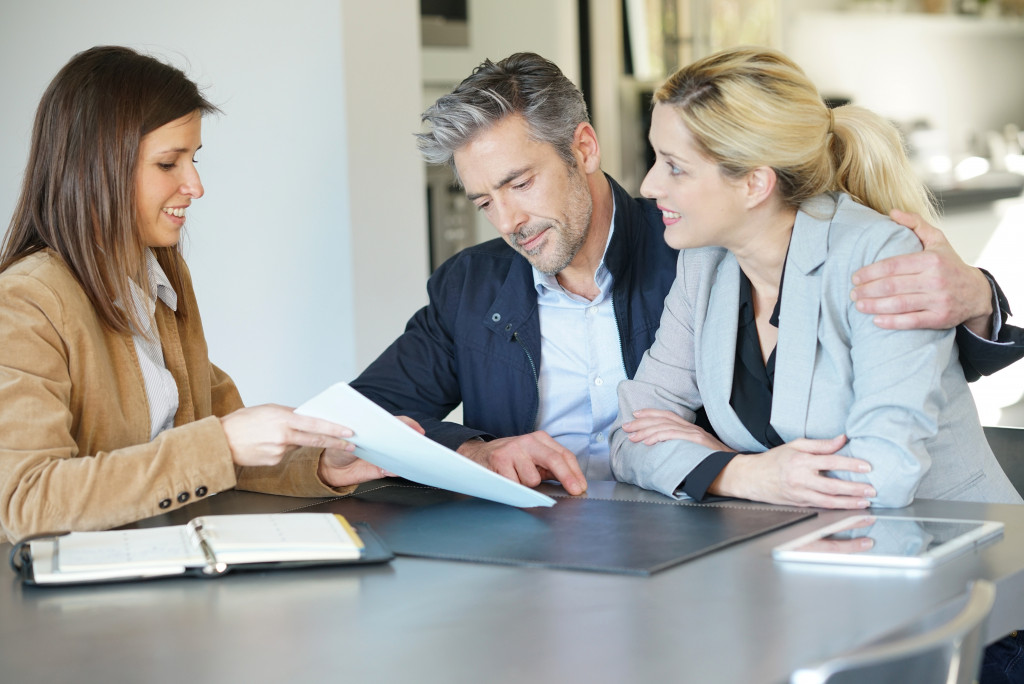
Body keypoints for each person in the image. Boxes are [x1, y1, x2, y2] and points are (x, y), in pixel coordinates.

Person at [351, 51, 1024, 498]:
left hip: (936, 581)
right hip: (753, 558)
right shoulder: (704, 260)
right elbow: (633, 432)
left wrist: (979, 297)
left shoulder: (694, 245)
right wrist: (474, 452)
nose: (506, 218)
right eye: (483, 199)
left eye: (519, 183)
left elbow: (888, 450)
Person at [0, 46, 399, 543]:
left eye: (194, 159)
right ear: (95, 166)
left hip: (168, 561)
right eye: (169, 163)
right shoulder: (25, 303)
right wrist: (224, 443)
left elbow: (217, 443)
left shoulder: (160, 275)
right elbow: (24, 500)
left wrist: (321, 463)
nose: (195, 185)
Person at [609, 46, 1022, 509]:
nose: (648, 187)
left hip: (956, 552)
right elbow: (629, 438)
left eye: (674, 166)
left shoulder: (878, 257)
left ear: (754, 184)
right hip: (816, 554)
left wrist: (727, 464)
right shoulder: (704, 264)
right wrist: (740, 472)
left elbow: (883, 477)